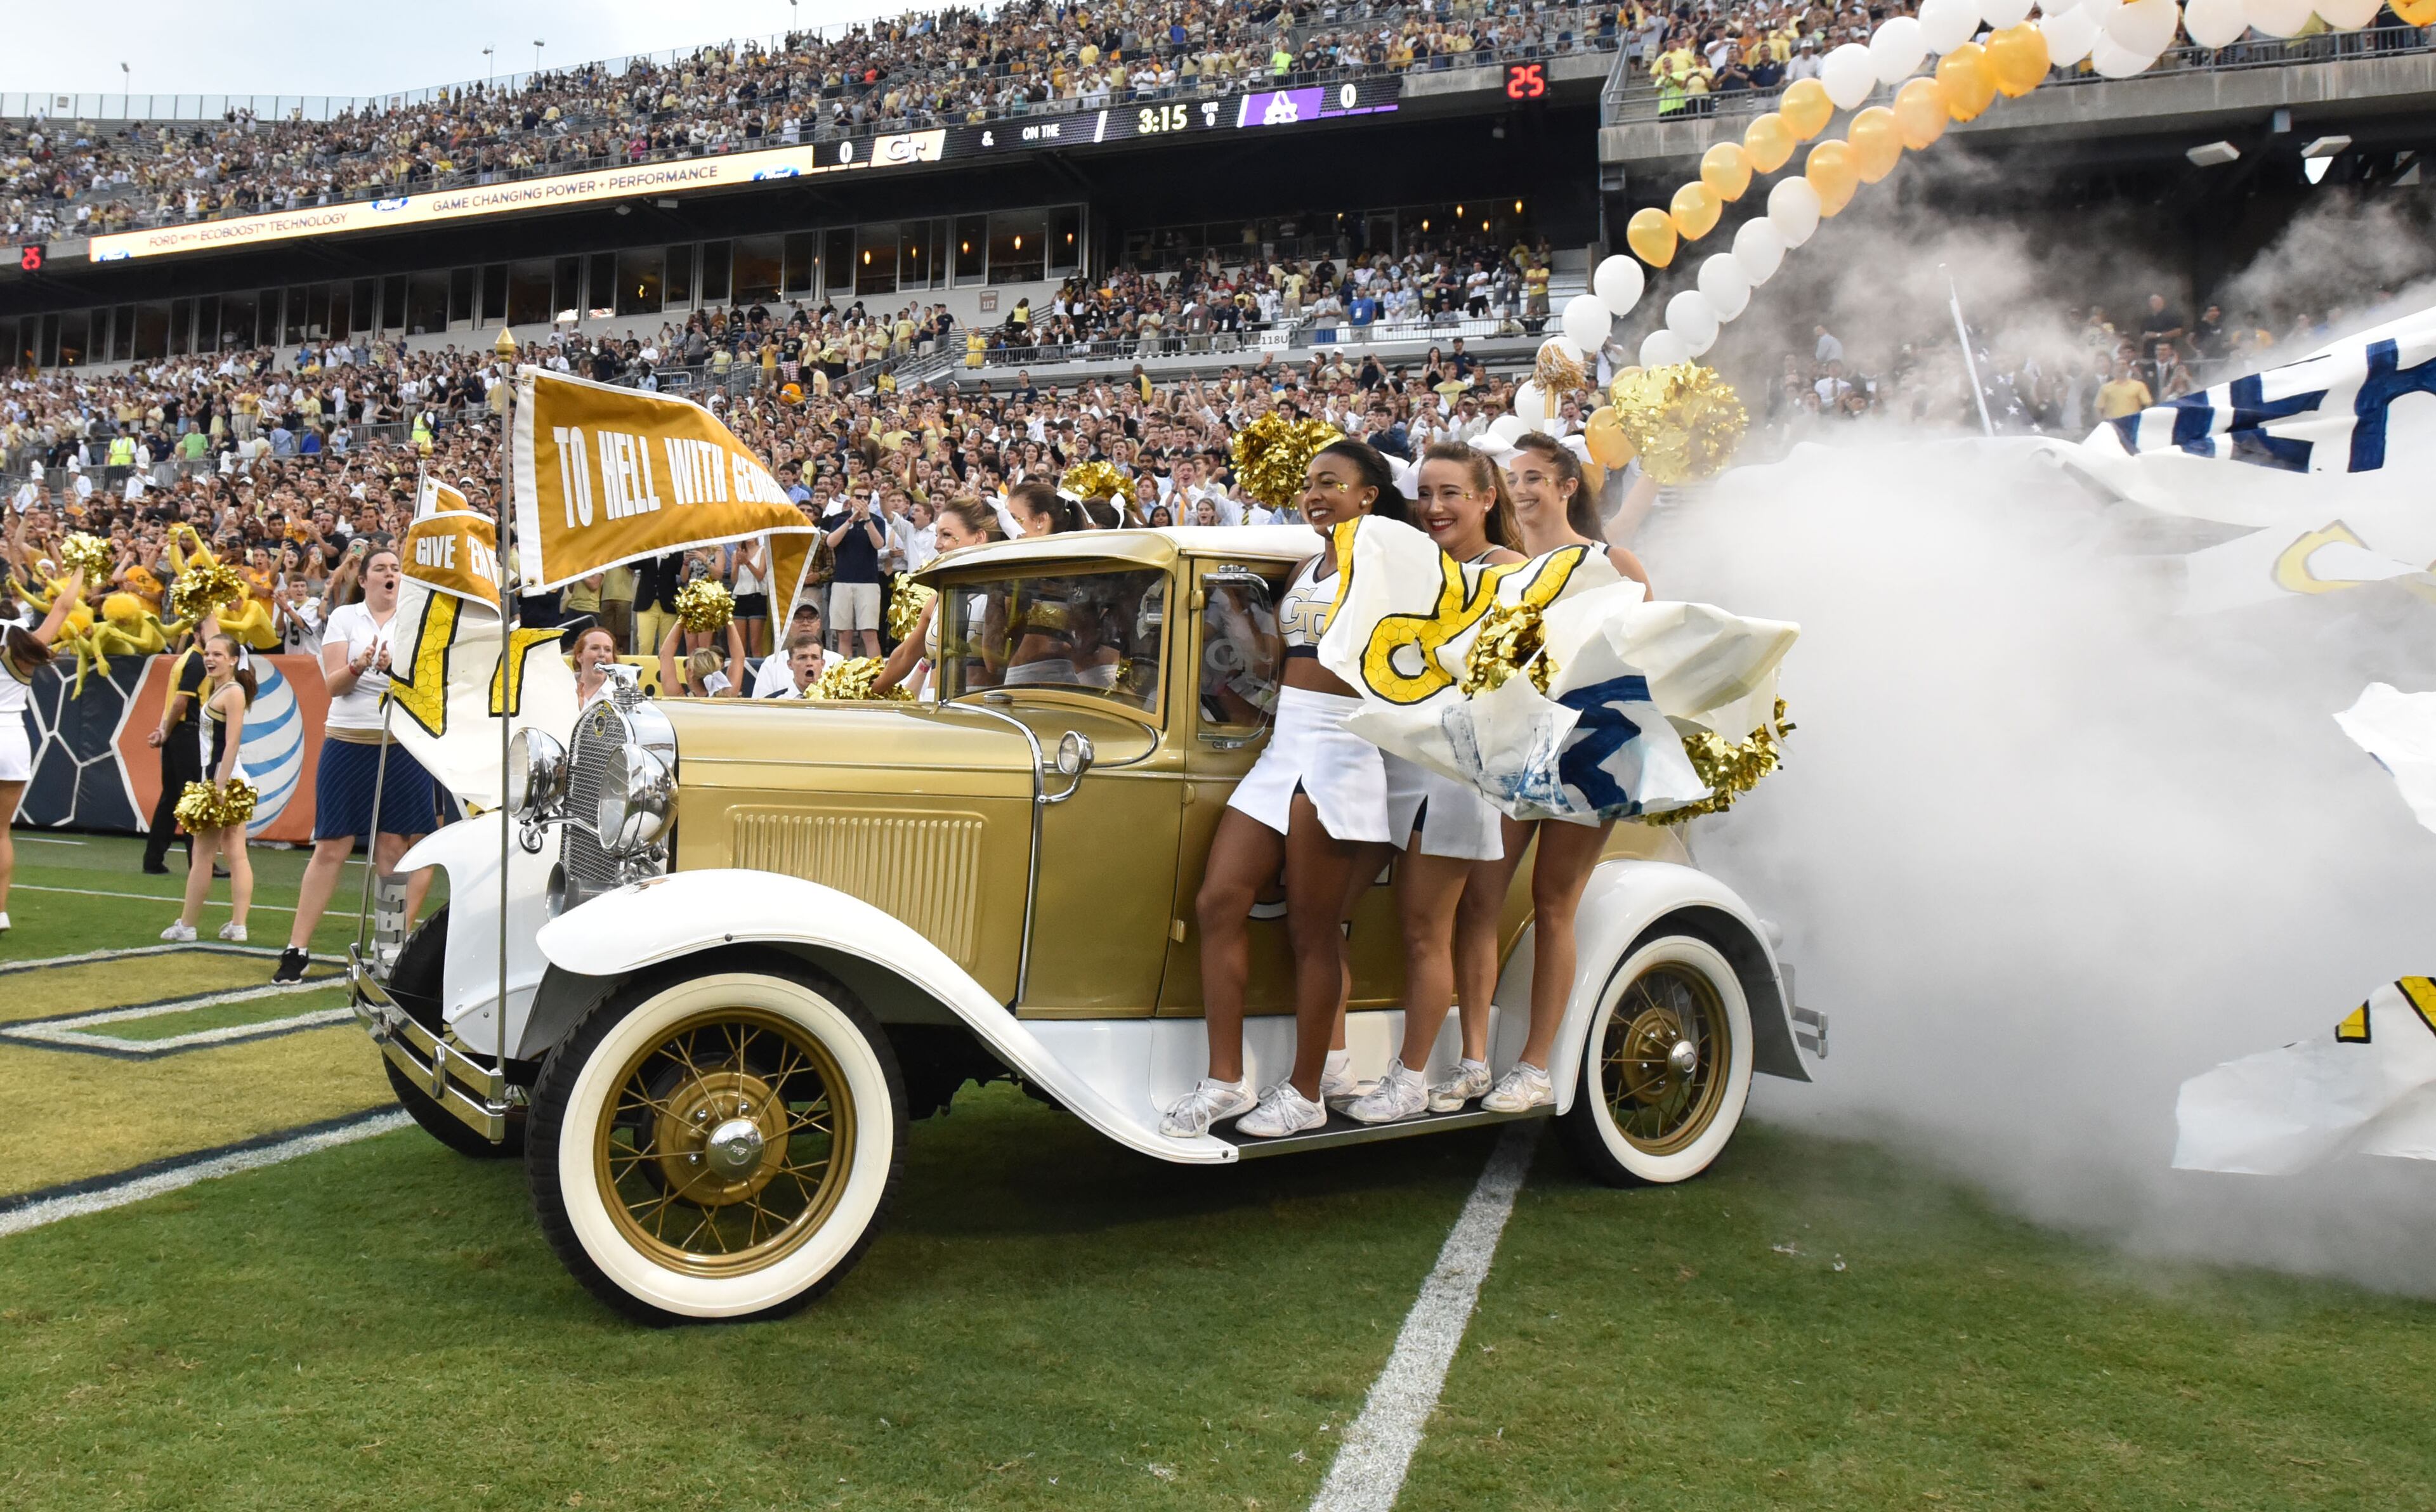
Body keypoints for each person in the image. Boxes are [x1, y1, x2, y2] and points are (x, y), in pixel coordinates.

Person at [1163, 440, 1418, 1140]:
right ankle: (1225, 1080)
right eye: (1309, 483)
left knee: (1314, 930)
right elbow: (1283, 661)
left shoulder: (1388, 559)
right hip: (1284, 746)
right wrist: (1237, 620)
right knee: (1219, 902)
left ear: (1369, 493)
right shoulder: (1308, 564)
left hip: (1343, 748)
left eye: (1331, 482)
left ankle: (1306, 1089)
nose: (1314, 493)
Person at [1343, 443, 1527, 1124]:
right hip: (1393, 761)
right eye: (1425, 493)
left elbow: (1515, 669)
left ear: (1486, 497)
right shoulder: (1415, 563)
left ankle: (1412, 1074)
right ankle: (1354, 1061)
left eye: (1451, 492)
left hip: (1453, 769)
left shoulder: (1507, 569)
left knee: (1427, 926)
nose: (1435, 507)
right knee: (1362, 911)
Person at [1475, 433, 1651, 1112]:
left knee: (1555, 905)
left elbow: (1648, 661)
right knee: (1479, 899)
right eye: (1512, 478)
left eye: (1533, 476)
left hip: (1592, 749)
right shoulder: (1504, 571)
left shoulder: (1616, 562)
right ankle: (1468, 1055)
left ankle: (1535, 1064)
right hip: (1516, 745)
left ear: (1567, 485)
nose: (1521, 489)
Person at [273, 547, 436, 984]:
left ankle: (387, 949)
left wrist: (394, 670)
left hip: (401, 743)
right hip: (347, 741)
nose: (390, 574)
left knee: (394, 848)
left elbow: (427, 688)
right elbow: (334, 686)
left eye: (396, 569)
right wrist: (360, 666)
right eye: (380, 569)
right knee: (331, 846)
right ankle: (297, 948)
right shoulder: (345, 618)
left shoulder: (418, 621)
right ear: (363, 579)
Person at [0, 568, 86, 935]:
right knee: (1, 832)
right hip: (13, 741)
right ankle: (0, 911)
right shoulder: (23, 644)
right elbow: (64, 607)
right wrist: (82, 568)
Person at [160, 634, 256, 944]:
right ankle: (237, 926)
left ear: (233, 660)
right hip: (227, 780)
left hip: (223, 781)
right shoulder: (223, 690)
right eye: (208, 654)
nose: (210, 659)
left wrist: (218, 786)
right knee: (234, 853)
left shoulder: (232, 692)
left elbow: (232, 742)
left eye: (218, 654)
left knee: (204, 856)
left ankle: (187, 926)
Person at [872, 498, 1000, 698]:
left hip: (982, 711)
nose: (938, 545)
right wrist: (863, 691)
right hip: (934, 709)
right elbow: (905, 656)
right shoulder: (937, 599)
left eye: (946, 535)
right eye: (937, 535)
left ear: (979, 537)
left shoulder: (1004, 595)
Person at [141, 632, 207, 875]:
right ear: (199, 634)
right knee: (193, 798)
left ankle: (153, 860)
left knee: (171, 798)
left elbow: (173, 701)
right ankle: (200, 863)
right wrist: (166, 732)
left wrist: (164, 730)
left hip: (178, 733)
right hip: (189, 733)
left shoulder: (184, 659)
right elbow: (181, 702)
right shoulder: (198, 663)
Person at [822, 491, 888, 660]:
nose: (862, 501)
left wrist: (867, 519)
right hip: (842, 580)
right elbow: (831, 542)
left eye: (866, 498)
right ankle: (844, 676)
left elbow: (879, 544)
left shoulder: (877, 520)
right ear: (851, 499)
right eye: (858, 497)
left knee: (869, 632)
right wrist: (851, 520)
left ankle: (876, 676)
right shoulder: (839, 519)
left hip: (869, 582)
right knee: (844, 633)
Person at [657, 615, 748, 696]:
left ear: (690, 672)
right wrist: (728, 618)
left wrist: (683, 617)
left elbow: (665, 655)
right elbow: (739, 657)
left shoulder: (679, 698)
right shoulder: (727, 696)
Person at [571, 623, 623, 709]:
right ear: (579, 657)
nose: (602, 654)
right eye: (595, 648)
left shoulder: (619, 697)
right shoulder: (560, 687)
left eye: (608, 650)